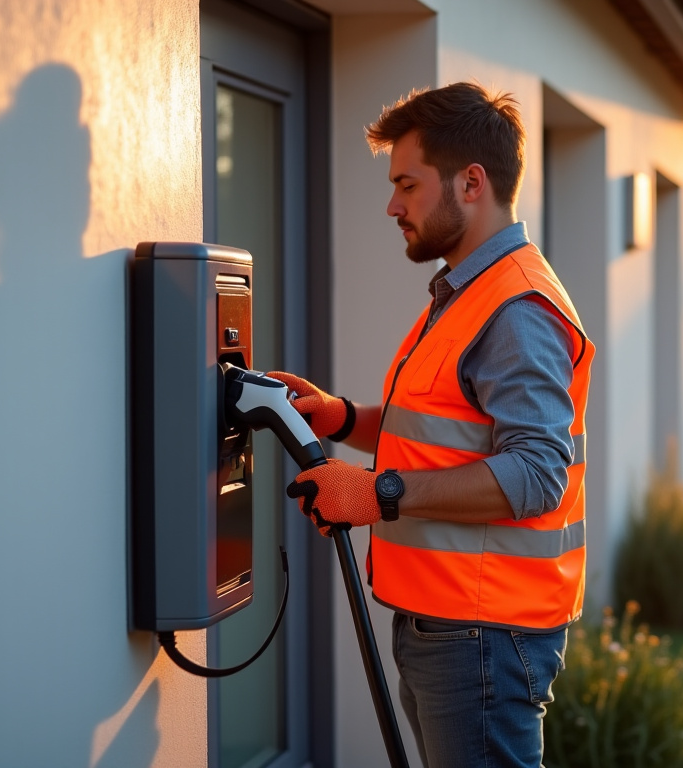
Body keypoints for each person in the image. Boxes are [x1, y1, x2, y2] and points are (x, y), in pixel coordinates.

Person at [268, 82, 593, 768]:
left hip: (482, 635)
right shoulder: (469, 293)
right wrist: (342, 416)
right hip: (448, 627)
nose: (393, 205)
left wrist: (378, 493)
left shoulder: (516, 309)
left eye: (408, 185)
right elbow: (441, 425)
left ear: (471, 183)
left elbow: (537, 474)